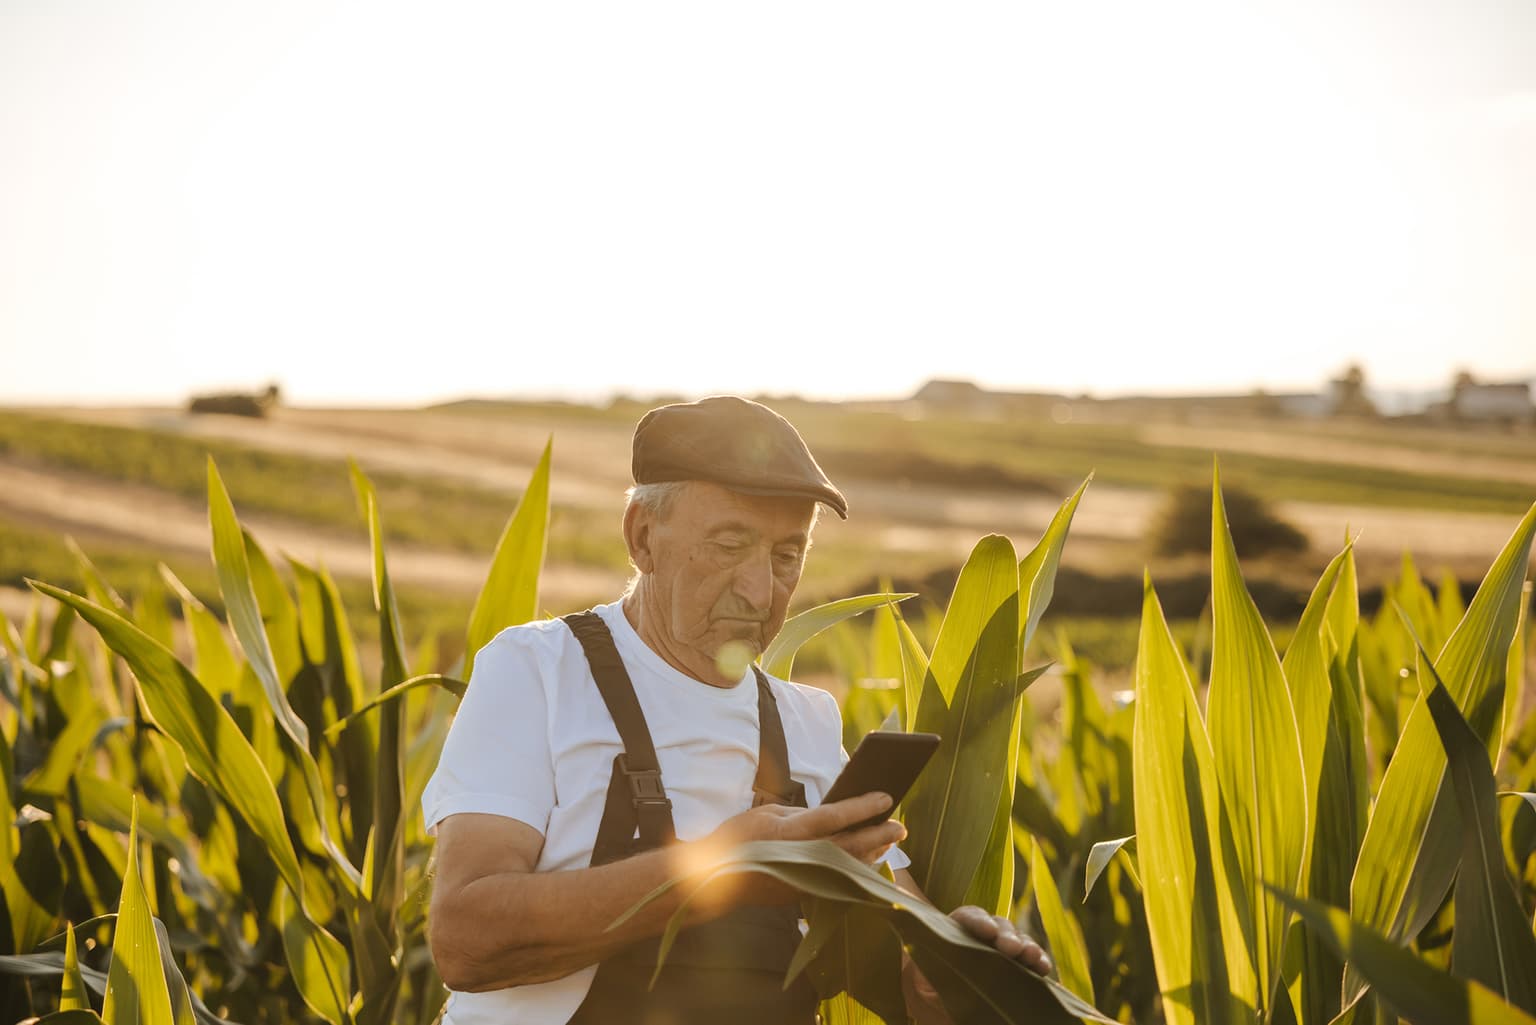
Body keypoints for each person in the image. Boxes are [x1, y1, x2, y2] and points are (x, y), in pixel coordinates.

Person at [423, 395, 1051, 1025]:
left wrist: (949, 971)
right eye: (730, 544)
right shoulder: (540, 670)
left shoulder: (807, 725)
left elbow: (907, 987)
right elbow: (465, 940)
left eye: (786, 556)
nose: (761, 591)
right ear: (643, 536)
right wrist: (719, 870)